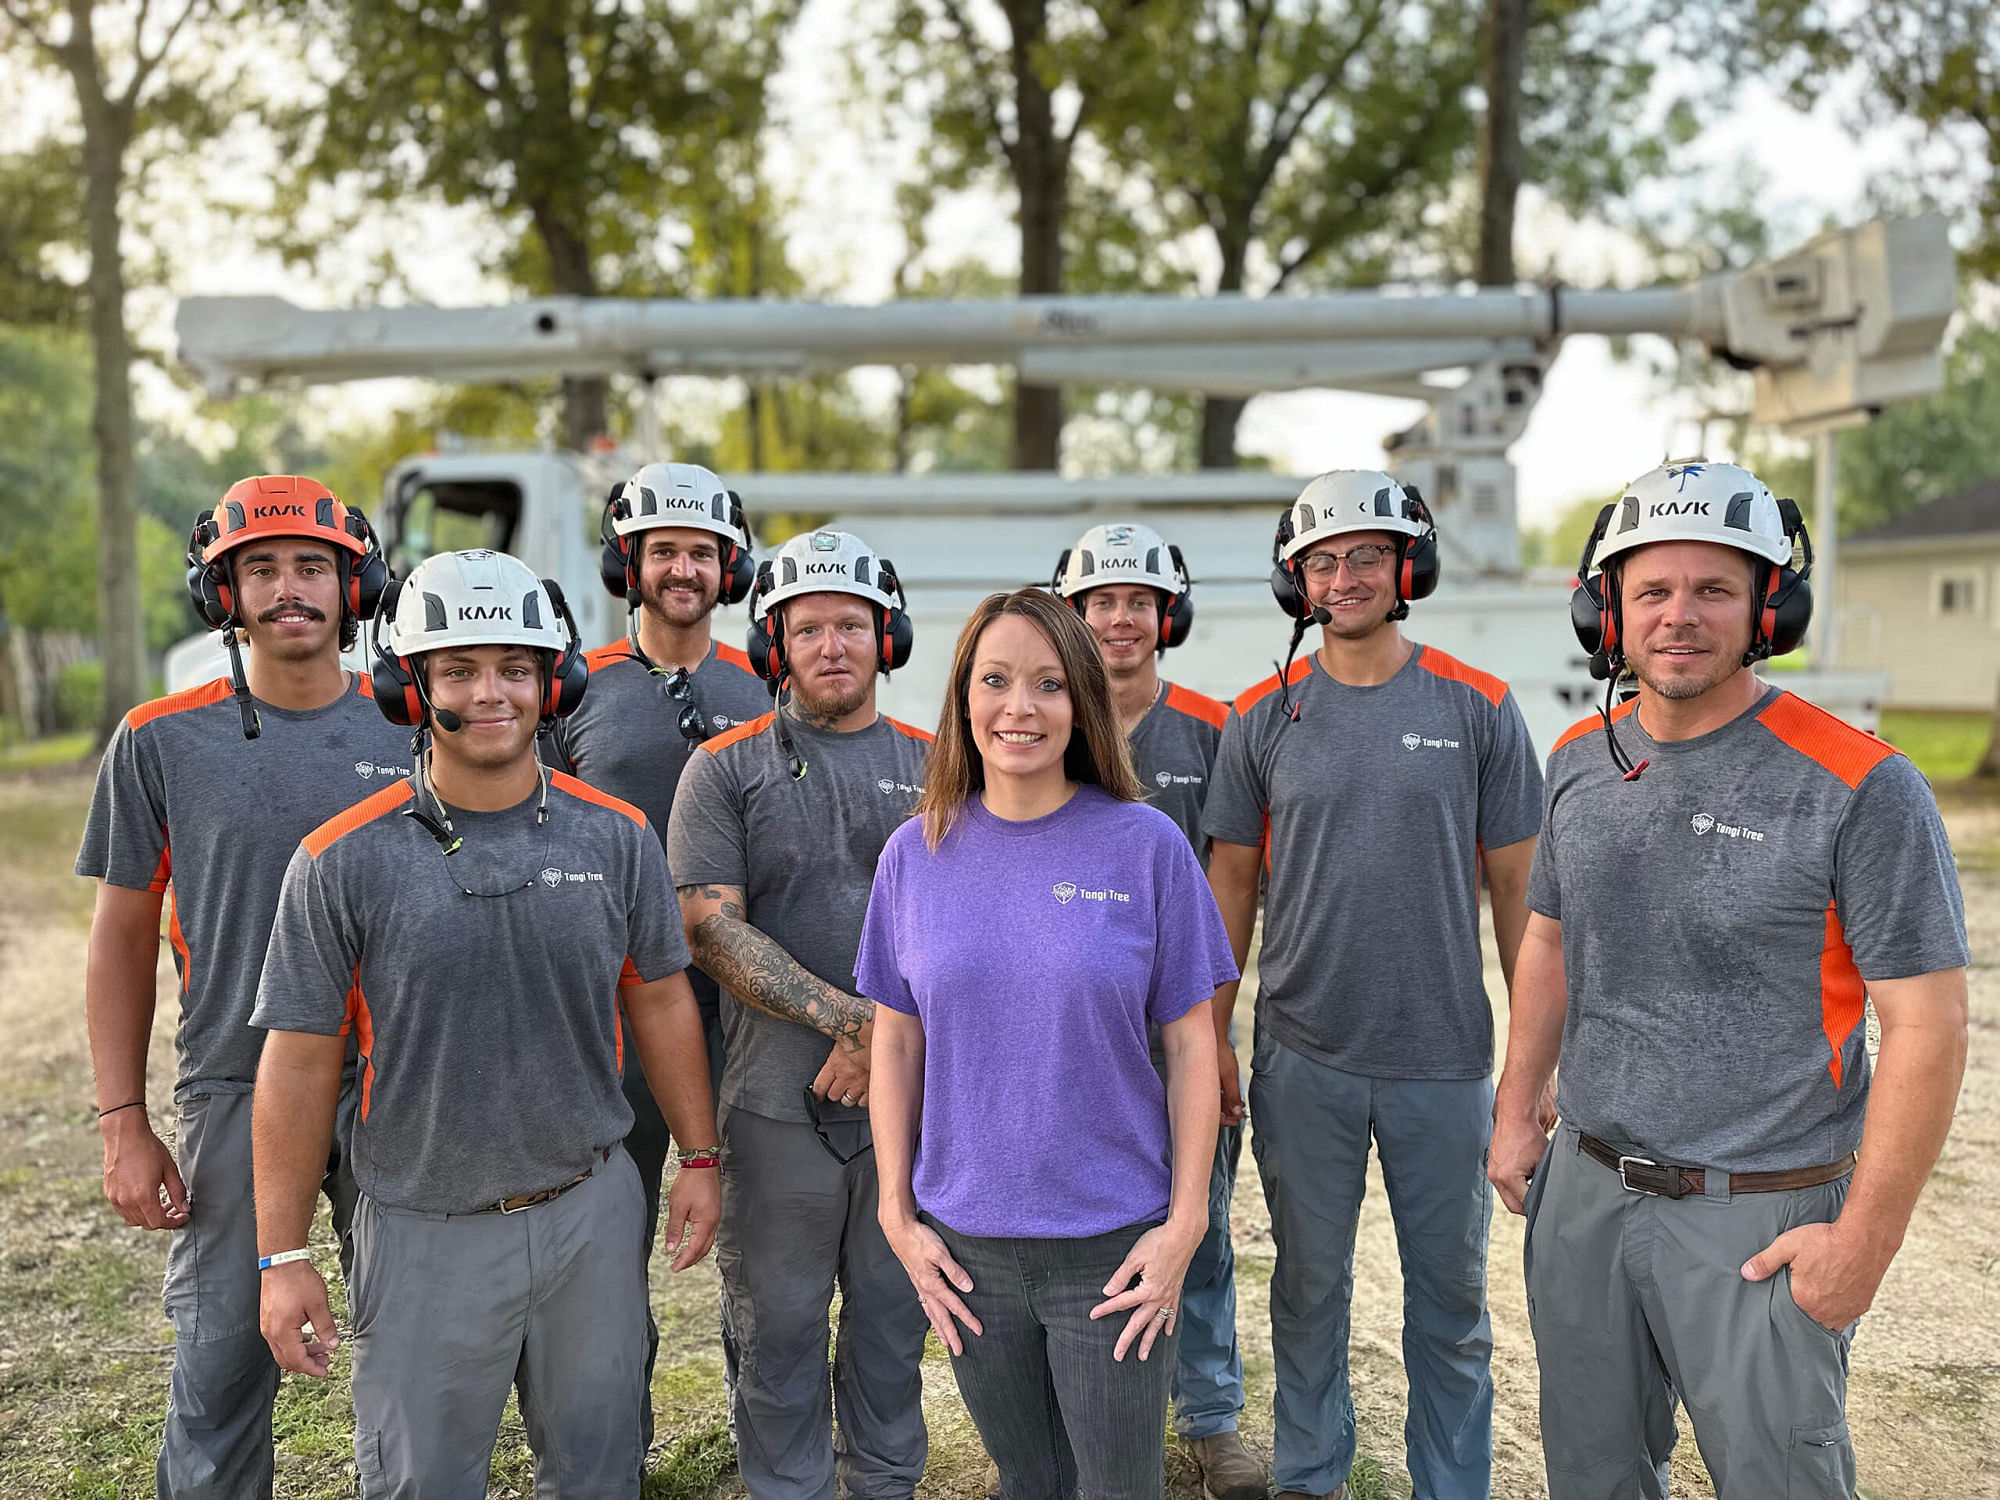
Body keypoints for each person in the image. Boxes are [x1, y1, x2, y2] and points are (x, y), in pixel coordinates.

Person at [1488, 461, 1970, 1500]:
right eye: (1649, 590)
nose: (1677, 616)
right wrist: (1514, 1109)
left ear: (1767, 608)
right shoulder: (1577, 755)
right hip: (1584, 1190)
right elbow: (1547, 939)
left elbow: (1926, 1027)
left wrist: (1865, 1240)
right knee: (1589, 1475)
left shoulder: (1858, 785)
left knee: (1776, 1483)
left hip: (1755, 1213)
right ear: (1603, 609)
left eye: (1713, 589)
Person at [250, 548, 721, 1498]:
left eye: (515, 667)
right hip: (424, 1226)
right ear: (406, 686)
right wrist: (283, 1252)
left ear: (557, 681)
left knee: (598, 1473)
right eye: (458, 669)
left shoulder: (620, 836)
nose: (493, 692)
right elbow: (297, 1065)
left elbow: (662, 998)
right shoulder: (339, 861)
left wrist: (702, 1159)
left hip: (589, 1209)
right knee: (425, 1480)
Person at [1204, 470, 1544, 1500]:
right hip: (1301, 1057)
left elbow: (1522, 902)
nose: (1342, 576)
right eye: (1319, 560)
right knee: (1307, 1293)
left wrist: (1531, 1073)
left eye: (1363, 555)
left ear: (1409, 566)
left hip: (1443, 1062)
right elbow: (1229, 889)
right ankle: (1310, 1477)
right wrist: (1211, 1039)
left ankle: (1453, 1486)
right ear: (1292, 581)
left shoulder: (1478, 706)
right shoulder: (1259, 716)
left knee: (1448, 1305)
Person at [857, 586, 1235, 1500]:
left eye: (1049, 685)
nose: (1019, 707)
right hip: (966, 1250)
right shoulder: (914, 853)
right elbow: (896, 1045)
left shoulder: (1145, 846)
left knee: (1117, 1487)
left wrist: (1185, 1223)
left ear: (1082, 707)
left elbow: (1193, 1048)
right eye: (995, 680)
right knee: (1027, 1480)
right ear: (963, 699)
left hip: (1112, 1247)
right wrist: (897, 1217)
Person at [75, 475, 407, 1499]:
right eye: (257, 569)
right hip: (232, 1083)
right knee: (220, 1368)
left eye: (312, 565)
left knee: (413, 1364)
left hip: (403, 1087)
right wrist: (123, 1121)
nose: (287, 587)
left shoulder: (417, 724)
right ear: (221, 596)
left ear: (356, 585)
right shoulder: (159, 739)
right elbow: (122, 938)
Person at [667, 529, 932, 1500]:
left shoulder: (944, 764)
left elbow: (973, 925)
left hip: (910, 1110)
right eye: (807, 626)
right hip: (772, 1108)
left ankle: (884, 1483)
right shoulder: (721, 771)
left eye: (850, 625)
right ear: (774, 640)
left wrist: (883, 1039)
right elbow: (709, 929)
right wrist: (850, 1023)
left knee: (892, 1320)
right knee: (774, 1324)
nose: (830, 644)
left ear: (884, 635)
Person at [547, 459, 771, 1442]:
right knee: (604, 1247)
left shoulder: (767, 685)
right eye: (662, 551)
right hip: (606, 1016)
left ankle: (763, 1426)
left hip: (743, 1011)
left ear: (729, 567)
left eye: (701, 552)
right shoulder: (569, 686)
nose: (683, 569)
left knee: (764, 1245)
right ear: (625, 561)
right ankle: (613, 1446)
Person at [1052, 523, 1260, 1499]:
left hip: (1177, 1026)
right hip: (1070, 1030)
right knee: (1068, 1219)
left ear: (1166, 614)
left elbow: (1230, 888)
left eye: (1137, 600)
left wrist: (1211, 1034)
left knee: (1200, 1219)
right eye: (1098, 603)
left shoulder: (1212, 733)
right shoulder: (1040, 723)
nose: (1119, 618)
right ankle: (1071, 1402)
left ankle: (1209, 1415)